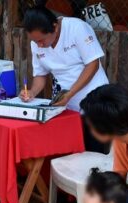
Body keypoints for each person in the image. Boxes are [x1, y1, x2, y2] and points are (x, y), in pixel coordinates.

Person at [20, 6, 109, 152]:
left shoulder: (76, 28)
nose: (39, 45)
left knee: (94, 154)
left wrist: (70, 93)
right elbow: (41, 75)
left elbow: (92, 64)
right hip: (66, 108)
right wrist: (32, 92)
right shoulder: (36, 43)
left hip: (95, 102)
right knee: (70, 153)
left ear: (54, 27)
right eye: (35, 41)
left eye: (41, 40)